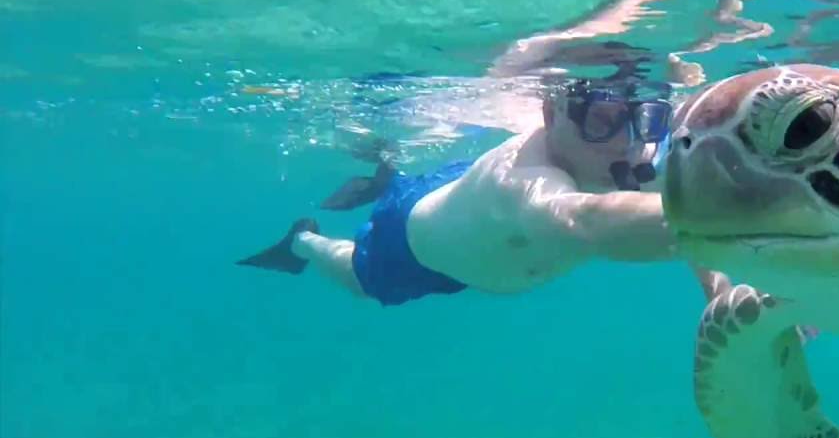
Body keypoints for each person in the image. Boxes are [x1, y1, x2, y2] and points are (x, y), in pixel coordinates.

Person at [236, 77, 678, 304]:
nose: (626, 143)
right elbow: (577, 219)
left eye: (644, 121)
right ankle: (302, 239)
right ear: (551, 112)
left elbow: (678, 186)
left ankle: (384, 178)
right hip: (409, 244)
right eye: (601, 121)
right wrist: (726, 218)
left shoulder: (629, 153)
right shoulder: (526, 182)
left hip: (462, 211)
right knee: (357, 278)